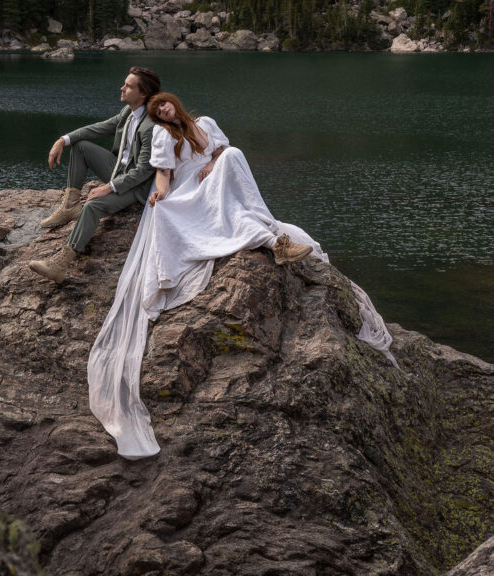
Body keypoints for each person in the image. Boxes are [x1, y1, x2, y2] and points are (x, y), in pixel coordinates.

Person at [88, 92, 397, 460]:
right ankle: (270, 238)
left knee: (233, 156)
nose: (163, 112)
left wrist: (212, 162)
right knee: (181, 205)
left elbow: (220, 151)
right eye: (157, 112)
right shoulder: (163, 137)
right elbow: (164, 174)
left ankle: (267, 230)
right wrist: (160, 195)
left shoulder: (204, 125)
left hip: (213, 177)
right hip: (188, 189)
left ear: (175, 103)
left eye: (165, 106)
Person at [29, 65, 161, 285]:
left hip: (138, 186)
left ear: (143, 94)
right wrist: (63, 140)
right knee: (80, 146)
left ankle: (60, 265)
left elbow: (143, 171)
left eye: (128, 86)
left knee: (92, 205)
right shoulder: (129, 111)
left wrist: (109, 187)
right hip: (119, 169)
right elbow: (100, 128)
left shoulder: (151, 125)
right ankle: (70, 206)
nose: (122, 88)